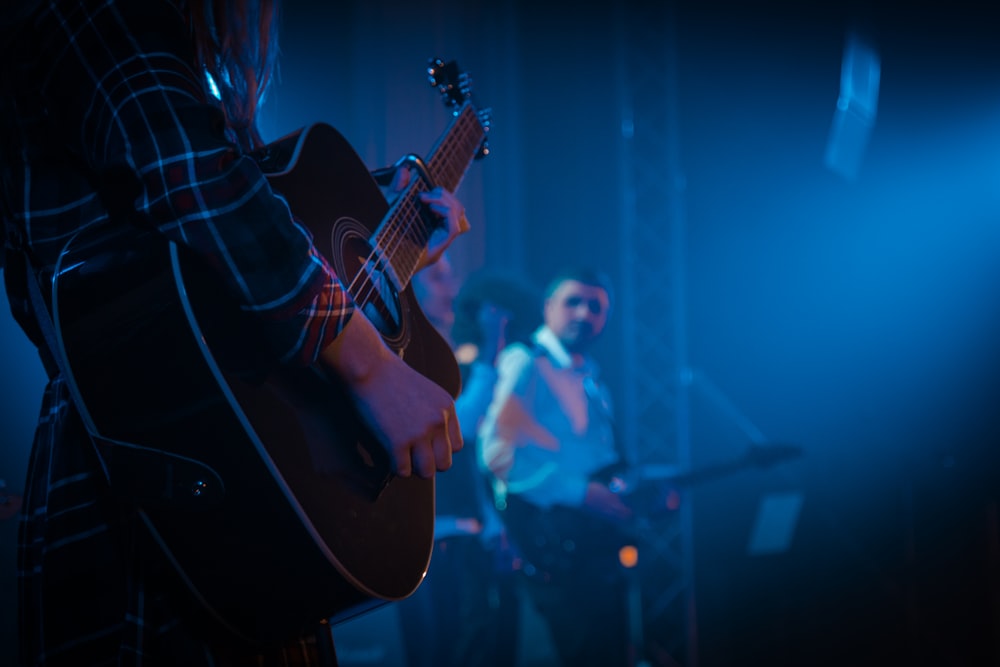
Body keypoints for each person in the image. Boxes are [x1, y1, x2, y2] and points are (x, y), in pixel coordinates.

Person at [0, 1, 469, 665]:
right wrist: (373, 367)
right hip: (148, 465)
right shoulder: (94, 13)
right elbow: (199, 180)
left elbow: (232, 243)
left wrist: (386, 240)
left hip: (229, 461)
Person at [478, 267, 633, 667]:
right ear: (548, 306)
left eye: (595, 307)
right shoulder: (525, 360)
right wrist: (578, 492)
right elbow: (496, 453)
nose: (584, 314)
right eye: (573, 302)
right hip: (551, 556)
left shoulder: (590, 375)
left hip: (591, 554)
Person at [398, 255, 540, 667]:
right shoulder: (401, 361)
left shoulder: (451, 360)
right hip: (429, 537)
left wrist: (492, 523)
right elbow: (456, 430)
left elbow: (470, 459)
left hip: (464, 531)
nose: (453, 289)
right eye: (439, 278)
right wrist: (489, 356)